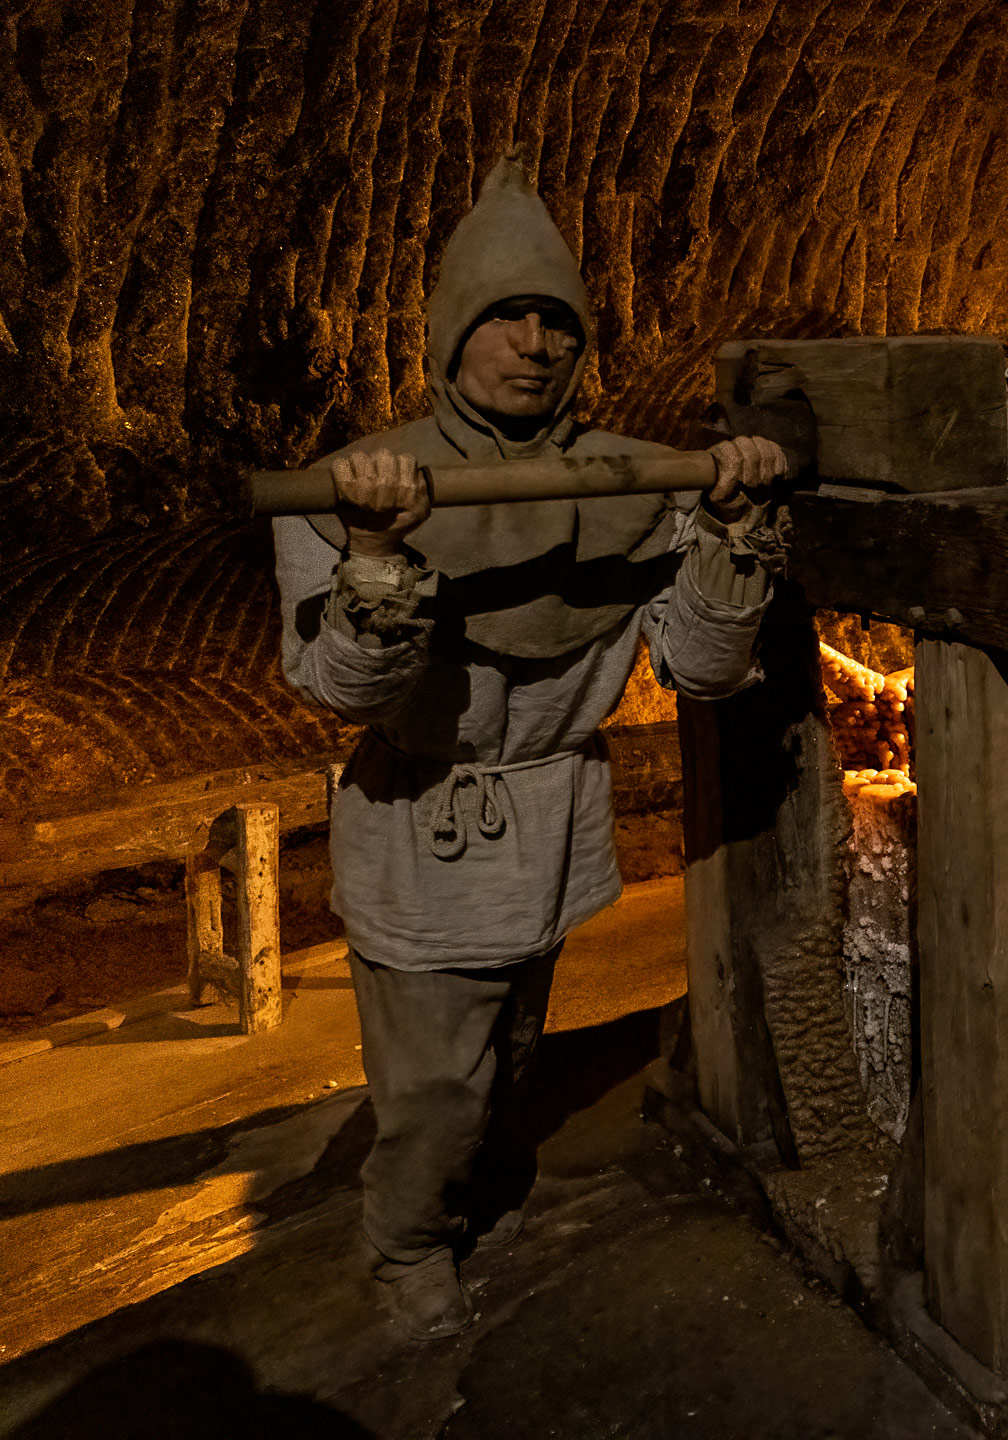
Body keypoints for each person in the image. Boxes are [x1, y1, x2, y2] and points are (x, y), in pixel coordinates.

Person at [272, 154, 789, 1341]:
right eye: (505, 315)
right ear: (453, 336)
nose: (534, 341)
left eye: (556, 319)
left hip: (549, 820)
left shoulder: (629, 482)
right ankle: (405, 1247)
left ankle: (465, 1201)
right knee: (432, 1089)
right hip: (424, 822)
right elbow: (348, 690)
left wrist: (732, 528)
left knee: (508, 1050)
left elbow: (705, 669)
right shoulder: (351, 484)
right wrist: (376, 551)